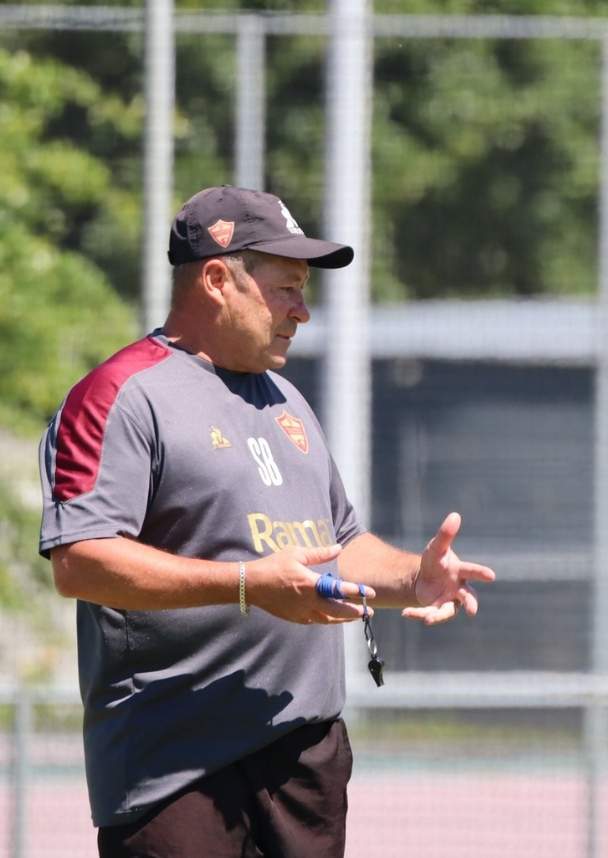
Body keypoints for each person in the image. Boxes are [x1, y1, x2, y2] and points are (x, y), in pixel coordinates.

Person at [38, 185, 496, 857]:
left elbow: (336, 545)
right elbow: (81, 562)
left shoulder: (286, 398)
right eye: (286, 288)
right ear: (219, 279)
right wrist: (248, 585)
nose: (302, 312)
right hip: (179, 769)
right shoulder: (120, 396)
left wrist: (411, 579)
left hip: (303, 758)